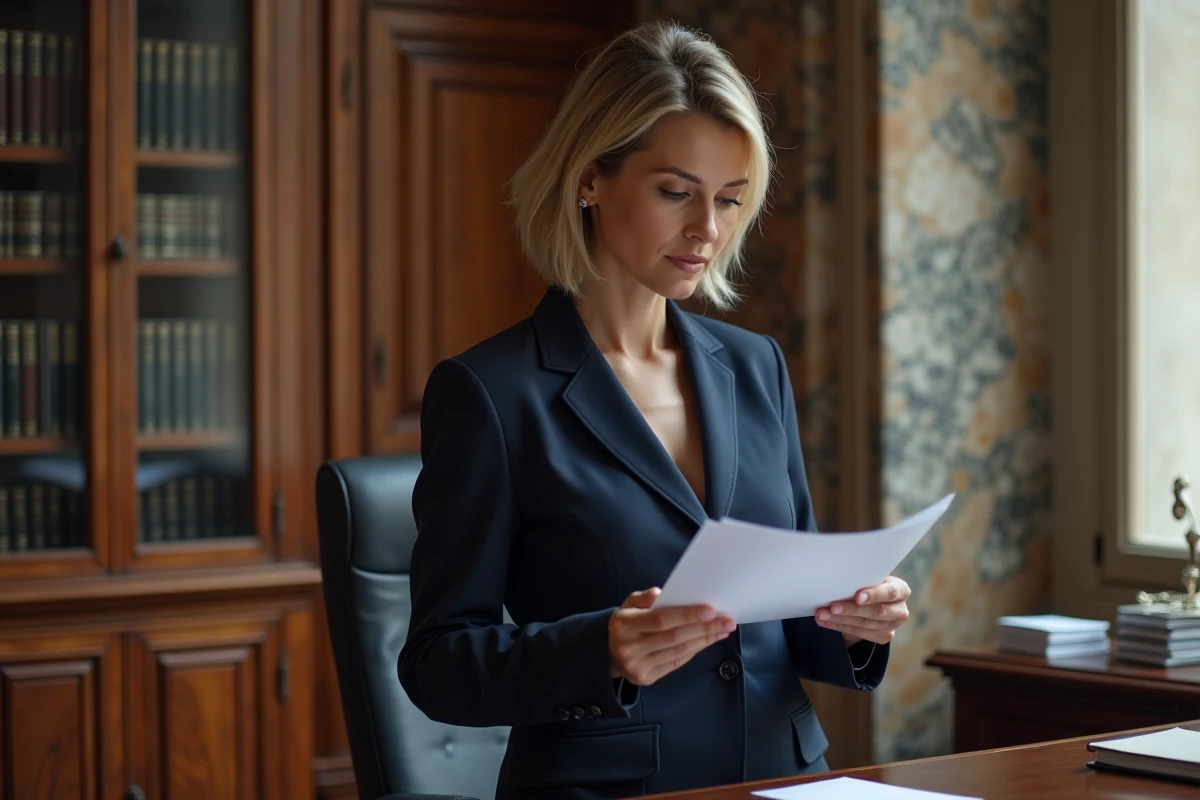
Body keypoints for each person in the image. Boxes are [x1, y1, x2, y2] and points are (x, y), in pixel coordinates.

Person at [398, 19, 912, 800]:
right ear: (589, 179)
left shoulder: (754, 366)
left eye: (731, 200)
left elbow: (784, 620)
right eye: (676, 192)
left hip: (789, 778)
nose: (708, 230)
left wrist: (855, 620)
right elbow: (439, 663)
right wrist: (600, 649)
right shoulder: (490, 393)